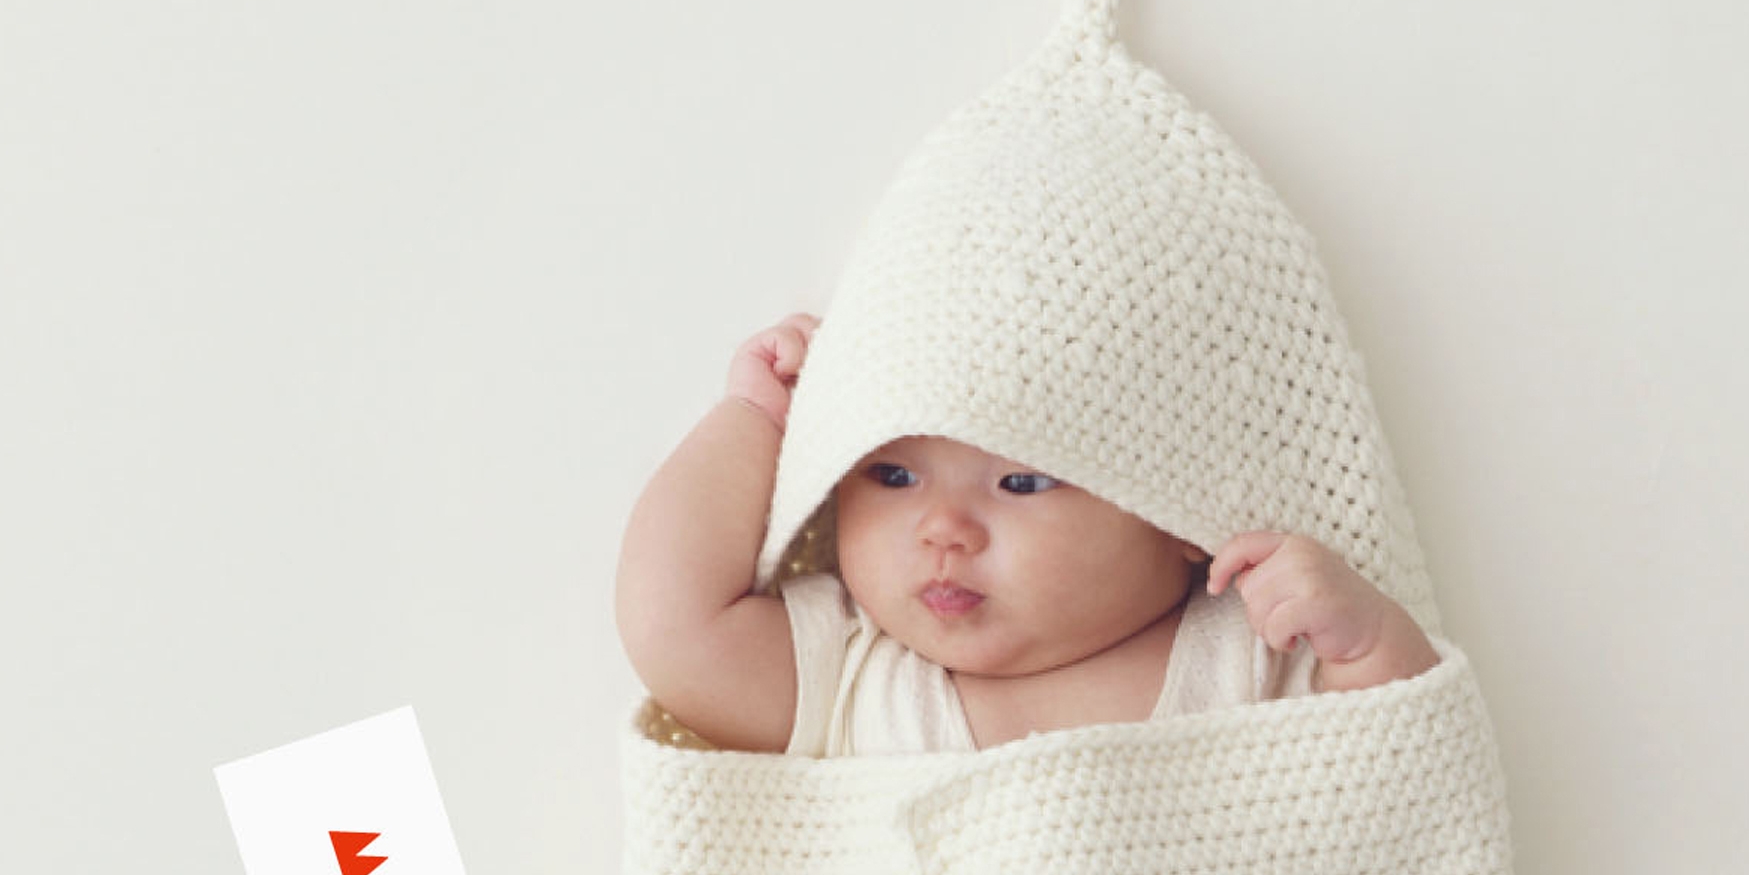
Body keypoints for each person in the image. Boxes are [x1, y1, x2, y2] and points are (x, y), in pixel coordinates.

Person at [614, 311, 1441, 755]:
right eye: (891, 476)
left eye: (1021, 482)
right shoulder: (852, 674)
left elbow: (1395, 768)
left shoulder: (1246, 649)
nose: (942, 529)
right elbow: (674, 626)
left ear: (1176, 512)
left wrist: (1367, 642)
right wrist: (759, 418)